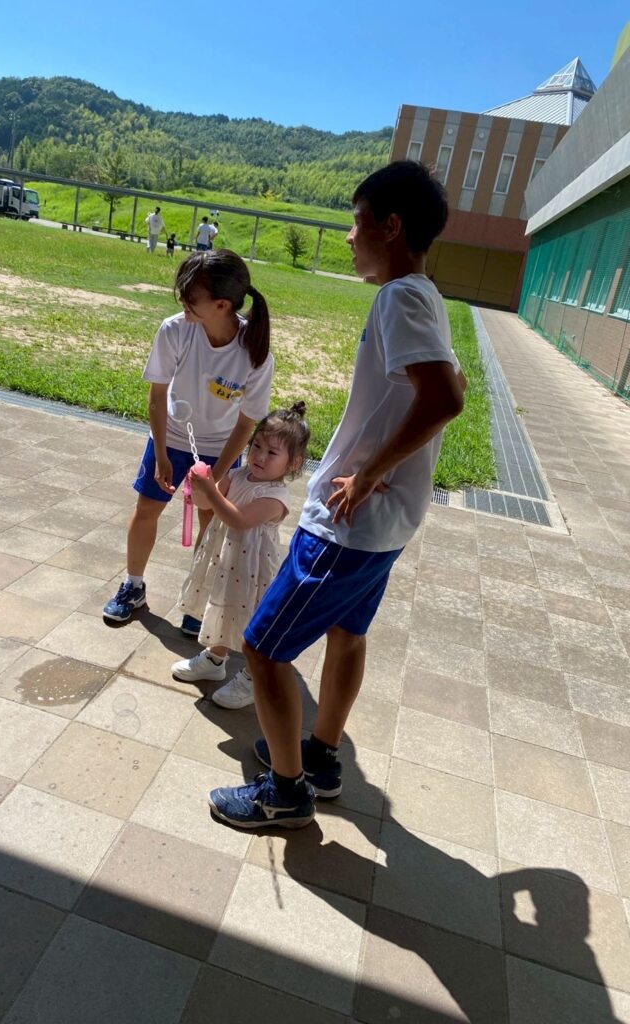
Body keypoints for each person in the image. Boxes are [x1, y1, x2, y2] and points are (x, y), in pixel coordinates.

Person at [208, 160, 467, 829]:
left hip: (349, 522)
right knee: (348, 635)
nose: (350, 236)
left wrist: (372, 469)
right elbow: (455, 385)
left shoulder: (401, 298)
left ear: (391, 225)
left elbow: (444, 399)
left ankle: (284, 791)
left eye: (357, 222)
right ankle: (320, 757)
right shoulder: (428, 296)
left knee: (264, 648)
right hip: (386, 524)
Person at [103, 249, 275, 635]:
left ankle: (199, 601)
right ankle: (133, 585)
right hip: (171, 438)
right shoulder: (175, 329)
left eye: (190, 295)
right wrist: (162, 453)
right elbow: (157, 395)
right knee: (147, 508)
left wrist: (216, 477)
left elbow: (246, 422)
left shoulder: (255, 352)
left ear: (222, 304)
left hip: (220, 449)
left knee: (210, 524)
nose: (182, 300)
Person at [172, 404, 310, 709]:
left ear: (293, 463)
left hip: (252, 569)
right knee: (222, 605)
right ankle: (214, 659)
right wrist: (197, 487)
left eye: (272, 452)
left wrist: (211, 490)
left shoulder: (276, 497)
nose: (259, 456)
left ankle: (252, 678)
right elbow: (206, 504)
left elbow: (238, 519)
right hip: (224, 559)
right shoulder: (238, 475)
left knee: (250, 618)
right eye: (256, 446)